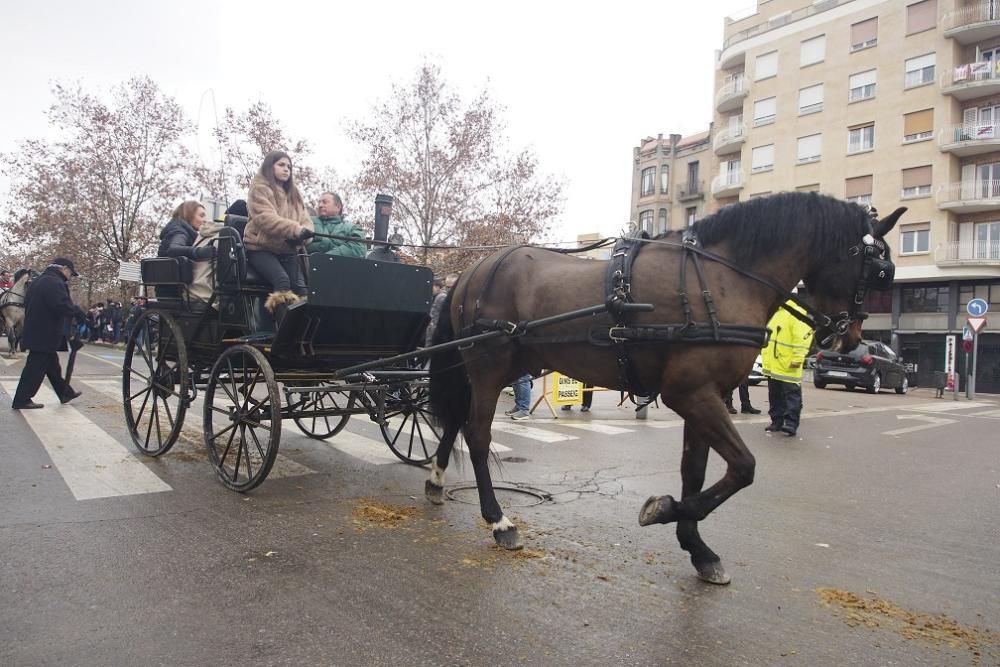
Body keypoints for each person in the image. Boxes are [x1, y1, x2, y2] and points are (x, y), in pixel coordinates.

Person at [245, 151, 314, 319]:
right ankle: (282, 334)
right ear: (270, 166)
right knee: (282, 281)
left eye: (289, 166)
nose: (286, 169)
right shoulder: (259, 189)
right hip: (260, 248)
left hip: (287, 250)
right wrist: (295, 230)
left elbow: (306, 220)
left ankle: (302, 331)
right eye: (281, 165)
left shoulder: (294, 194)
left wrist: (306, 234)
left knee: (302, 289)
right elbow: (265, 218)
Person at [11, 258, 87, 409]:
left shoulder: (39, 281)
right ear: (64, 268)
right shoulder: (53, 282)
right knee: (34, 369)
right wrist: (77, 311)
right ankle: (21, 399)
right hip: (44, 333)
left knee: (52, 367)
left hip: (38, 331)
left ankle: (65, 392)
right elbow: (60, 304)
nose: (70, 277)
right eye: (70, 273)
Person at [761, 299, 813, 437]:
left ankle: (791, 424)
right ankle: (776, 421)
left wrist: (798, 358)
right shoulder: (775, 313)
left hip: (788, 364)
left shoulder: (796, 313)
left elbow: (802, 337)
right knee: (775, 395)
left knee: (791, 396)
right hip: (774, 364)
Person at [307, 192, 366, 258]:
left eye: (325, 202)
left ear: (338, 207)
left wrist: (325, 258)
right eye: (319, 202)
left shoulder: (351, 228)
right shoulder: (307, 221)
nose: (320, 205)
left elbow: (358, 248)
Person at [425, 273, 458, 346]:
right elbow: (434, 322)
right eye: (447, 287)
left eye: (451, 287)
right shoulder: (442, 298)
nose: (449, 290)